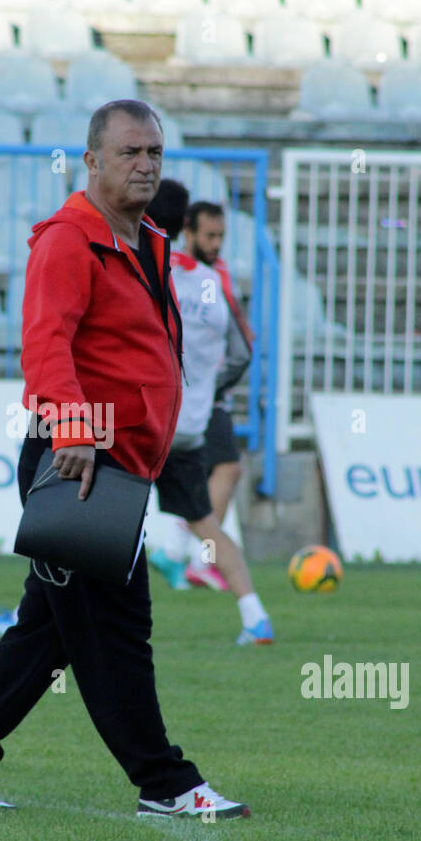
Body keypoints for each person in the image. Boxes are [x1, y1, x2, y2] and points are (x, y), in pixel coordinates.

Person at [0, 100, 250, 819]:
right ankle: (166, 782)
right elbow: (47, 348)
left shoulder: (147, 239)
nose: (146, 164)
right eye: (130, 152)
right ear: (92, 162)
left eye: (155, 151)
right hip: (81, 462)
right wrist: (75, 433)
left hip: (118, 463)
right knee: (118, 629)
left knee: (49, 633)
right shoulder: (68, 241)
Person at [143, 181, 272, 646]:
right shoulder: (217, 284)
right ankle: (255, 616)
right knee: (208, 526)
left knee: (88, 521)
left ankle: (26, 617)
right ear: (186, 227)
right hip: (189, 429)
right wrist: (203, 391)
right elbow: (242, 352)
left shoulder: (155, 270)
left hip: (144, 427)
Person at [183, 200, 255, 589]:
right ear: (188, 232)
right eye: (209, 236)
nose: (216, 244)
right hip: (191, 395)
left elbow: (242, 342)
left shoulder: (219, 275)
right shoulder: (179, 272)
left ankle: (192, 554)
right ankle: (196, 556)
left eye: (221, 237)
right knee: (223, 468)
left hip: (208, 393)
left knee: (224, 468)